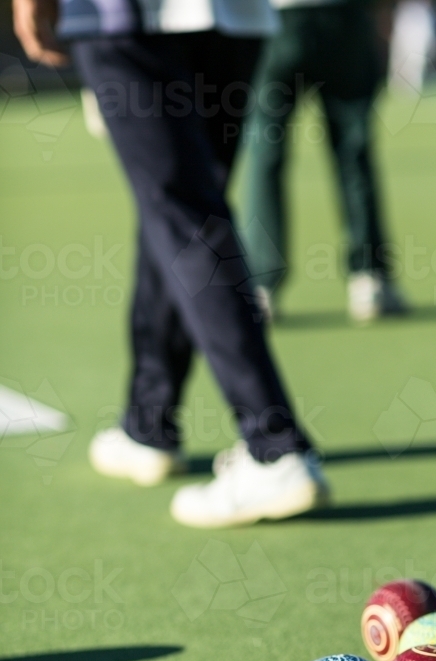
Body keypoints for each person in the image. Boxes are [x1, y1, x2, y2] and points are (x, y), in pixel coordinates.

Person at [13, 0, 329, 528]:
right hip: (237, 17)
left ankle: (275, 447)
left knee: (185, 217)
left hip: (127, 17)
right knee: (178, 210)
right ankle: (148, 423)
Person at [242, 0, 409, 323]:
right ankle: (369, 277)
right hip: (342, 15)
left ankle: (261, 284)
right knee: (352, 150)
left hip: (274, 17)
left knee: (265, 153)